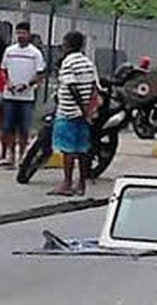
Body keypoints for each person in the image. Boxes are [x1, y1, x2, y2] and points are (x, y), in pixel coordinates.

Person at [51, 31, 97, 196]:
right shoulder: (88, 62)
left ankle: (67, 183)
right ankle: (82, 184)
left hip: (68, 112)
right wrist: (88, 110)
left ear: (67, 44)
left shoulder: (68, 62)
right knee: (83, 149)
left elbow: (71, 86)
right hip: (84, 115)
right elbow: (94, 87)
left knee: (68, 149)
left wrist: (81, 107)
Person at [0, 22, 46, 169]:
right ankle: (10, 155)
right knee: (8, 126)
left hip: (26, 96)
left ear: (29, 34)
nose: (20, 36)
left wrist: (27, 85)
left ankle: (22, 156)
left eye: (23, 33)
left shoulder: (35, 53)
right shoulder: (9, 51)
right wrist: (8, 83)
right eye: (18, 33)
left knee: (24, 127)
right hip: (10, 95)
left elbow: (40, 73)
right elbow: (3, 70)